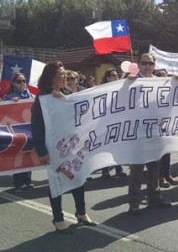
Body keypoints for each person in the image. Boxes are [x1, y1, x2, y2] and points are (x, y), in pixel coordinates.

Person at [31, 61, 96, 234]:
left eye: (66, 74)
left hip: (73, 146)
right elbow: (36, 126)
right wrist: (42, 151)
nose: (65, 77)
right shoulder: (42, 99)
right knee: (57, 182)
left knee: (78, 178)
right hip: (53, 148)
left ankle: (81, 213)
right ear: (52, 78)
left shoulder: (68, 92)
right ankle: (58, 218)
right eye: (62, 74)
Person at [126, 53, 172, 215]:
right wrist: (126, 85)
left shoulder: (160, 82)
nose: (147, 66)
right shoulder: (130, 80)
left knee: (154, 167)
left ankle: (154, 197)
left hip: (155, 131)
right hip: (137, 133)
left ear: (154, 65)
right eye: (144, 63)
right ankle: (134, 202)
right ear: (138, 64)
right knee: (137, 169)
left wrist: (177, 83)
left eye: (150, 63)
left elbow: (170, 99)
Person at [4, 73, 34, 191]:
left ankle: (28, 180)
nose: (22, 83)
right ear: (13, 83)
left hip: (29, 129)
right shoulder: (8, 97)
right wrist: (11, 103)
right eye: (19, 81)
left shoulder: (31, 95)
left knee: (29, 153)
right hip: (15, 131)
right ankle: (18, 182)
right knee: (18, 153)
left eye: (24, 80)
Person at [100, 68, 127, 179]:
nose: (115, 77)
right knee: (106, 148)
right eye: (112, 75)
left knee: (117, 147)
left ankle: (118, 169)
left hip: (118, 122)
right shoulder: (102, 90)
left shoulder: (120, 88)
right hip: (105, 123)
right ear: (107, 78)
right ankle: (105, 170)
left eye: (116, 75)